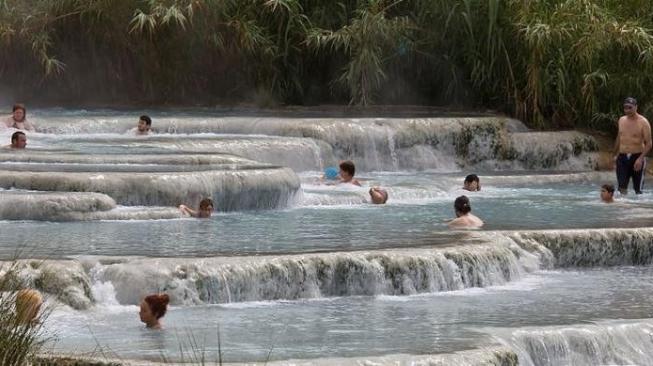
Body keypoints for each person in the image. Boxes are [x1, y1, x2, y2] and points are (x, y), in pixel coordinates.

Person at [613, 97, 652, 194]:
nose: (627, 110)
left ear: (636, 107)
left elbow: (649, 143)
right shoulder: (621, 120)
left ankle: (637, 208)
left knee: (638, 190)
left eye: (630, 108)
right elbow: (619, 137)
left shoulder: (643, 122)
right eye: (625, 108)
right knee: (621, 188)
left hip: (637, 157)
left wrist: (640, 159)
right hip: (622, 157)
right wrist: (614, 155)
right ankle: (623, 208)